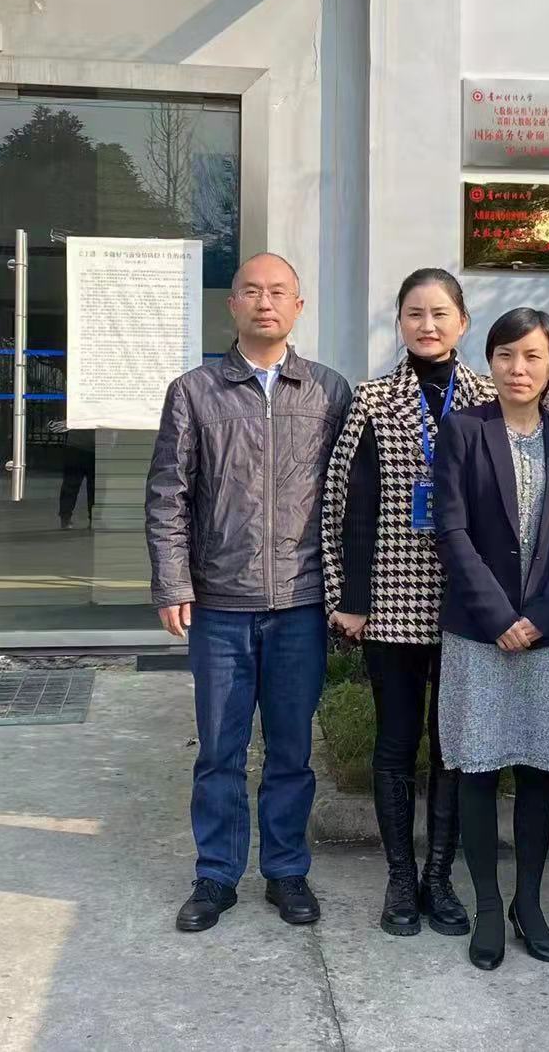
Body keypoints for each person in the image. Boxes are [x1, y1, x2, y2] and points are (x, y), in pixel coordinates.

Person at [145, 252, 352, 933]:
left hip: (301, 602)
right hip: (220, 604)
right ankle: (216, 874)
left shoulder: (328, 391)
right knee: (220, 751)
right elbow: (169, 495)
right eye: (252, 291)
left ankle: (287, 871)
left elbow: (350, 498)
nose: (266, 303)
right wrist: (173, 581)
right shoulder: (195, 392)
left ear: (298, 306)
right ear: (232, 304)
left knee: (291, 752)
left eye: (279, 292)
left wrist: (348, 593)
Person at [322, 269, 494, 938]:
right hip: (392, 599)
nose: (428, 325)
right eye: (415, 313)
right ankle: (399, 878)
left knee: (451, 744)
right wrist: (348, 597)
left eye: (440, 313)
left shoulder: (487, 398)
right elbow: (345, 504)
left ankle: (439, 878)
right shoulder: (372, 400)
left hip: (468, 601)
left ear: (462, 322)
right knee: (396, 741)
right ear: (399, 322)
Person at [432, 308, 549, 970]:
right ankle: (490, 908)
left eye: (531, 356)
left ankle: (530, 902)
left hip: (546, 635)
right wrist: (499, 615)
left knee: (535, 772)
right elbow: (451, 529)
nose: (517, 368)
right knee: (477, 768)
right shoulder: (463, 430)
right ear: (490, 362)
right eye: (504, 354)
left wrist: (542, 615)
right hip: (480, 632)